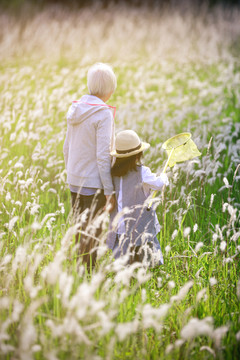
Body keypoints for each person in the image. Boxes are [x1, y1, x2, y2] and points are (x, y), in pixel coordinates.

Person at [63, 62, 117, 271]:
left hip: (74, 180)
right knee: (93, 232)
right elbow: (103, 156)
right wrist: (109, 191)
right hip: (94, 184)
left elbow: (66, 148)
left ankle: (80, 271)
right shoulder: (102, 114)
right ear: (110, 90)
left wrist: (72, 173)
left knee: (80, 230)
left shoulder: (75, 109)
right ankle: (90, 275)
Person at [107, 130, 169, 267]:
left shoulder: (112, 173)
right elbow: (159, 185)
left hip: (120, 224)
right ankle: (148, 266)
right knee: (145, 247)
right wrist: (165, 177)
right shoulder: (142, 172)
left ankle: (125, 267)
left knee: (123, 253)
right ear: (138, 154)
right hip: (138, 224)